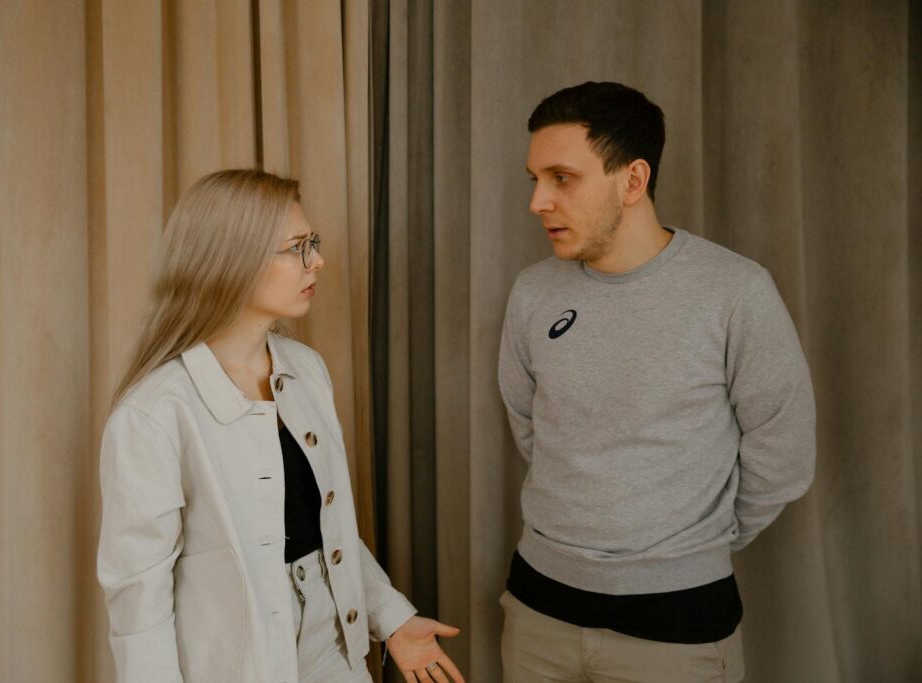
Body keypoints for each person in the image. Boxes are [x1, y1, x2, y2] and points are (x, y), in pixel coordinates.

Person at [498, 82, 816, 682]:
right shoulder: (533, 292)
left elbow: (785, 450)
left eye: (562, 178)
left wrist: (688, 544)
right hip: (539, 608)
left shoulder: (735, 292)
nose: (538, 201)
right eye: (534, 179)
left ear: (633, 180)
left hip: (677, 626)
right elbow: (531, 425)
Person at [97, 169, 464, 683]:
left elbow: (327, 528)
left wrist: (392, 619)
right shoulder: (154, 414)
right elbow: (139, 597)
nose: (318, 261)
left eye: (312, 242)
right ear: (232, 261)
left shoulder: (305, 369)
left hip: (335, 643)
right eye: (297, 247)